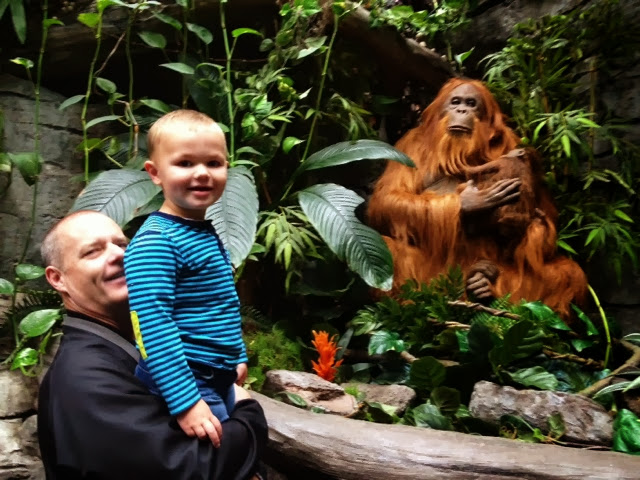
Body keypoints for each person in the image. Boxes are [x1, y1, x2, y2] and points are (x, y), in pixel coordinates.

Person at [38, 210, 268, 479]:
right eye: (93, 252)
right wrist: (247, 412)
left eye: (122, 244)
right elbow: (191, 468)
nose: (119, 255)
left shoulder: (151, 342)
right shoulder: (84, 376)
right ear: (58, 279)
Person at [123, 109, 248, 446]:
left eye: (214, 163)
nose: (202, 173)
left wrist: (236, 354)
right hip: (184, 378)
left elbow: (220, 302)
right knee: (220, 457)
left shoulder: (198, 230)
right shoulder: (157, 241)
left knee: (231, 452)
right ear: (155, 173)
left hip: (213, 372)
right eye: (185, 163)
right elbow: (151, 326)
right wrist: (186, 402)